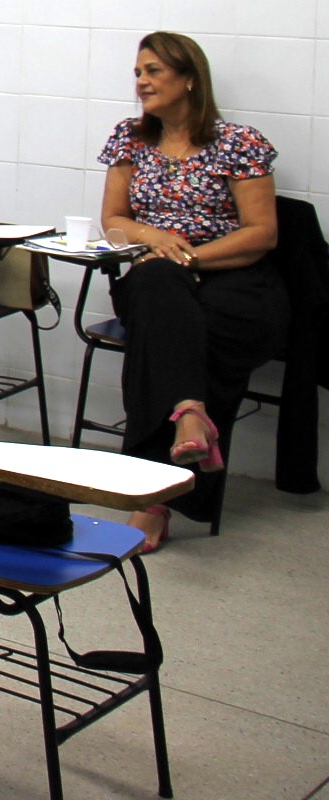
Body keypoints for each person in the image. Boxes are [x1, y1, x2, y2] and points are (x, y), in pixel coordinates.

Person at [98, 30, 286, 551]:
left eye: (154, 71)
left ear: (189, 79)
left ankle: (151, 499)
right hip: (158, 278)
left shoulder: (238, 142)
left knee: (174, 335)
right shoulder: (130, 139)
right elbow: (114, 220)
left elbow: (262, 233)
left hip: (232, 277)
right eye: (138, 73)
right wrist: (155, 237)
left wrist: (193, 257)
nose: (141, 82)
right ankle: (190, 417)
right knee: (157, 287)